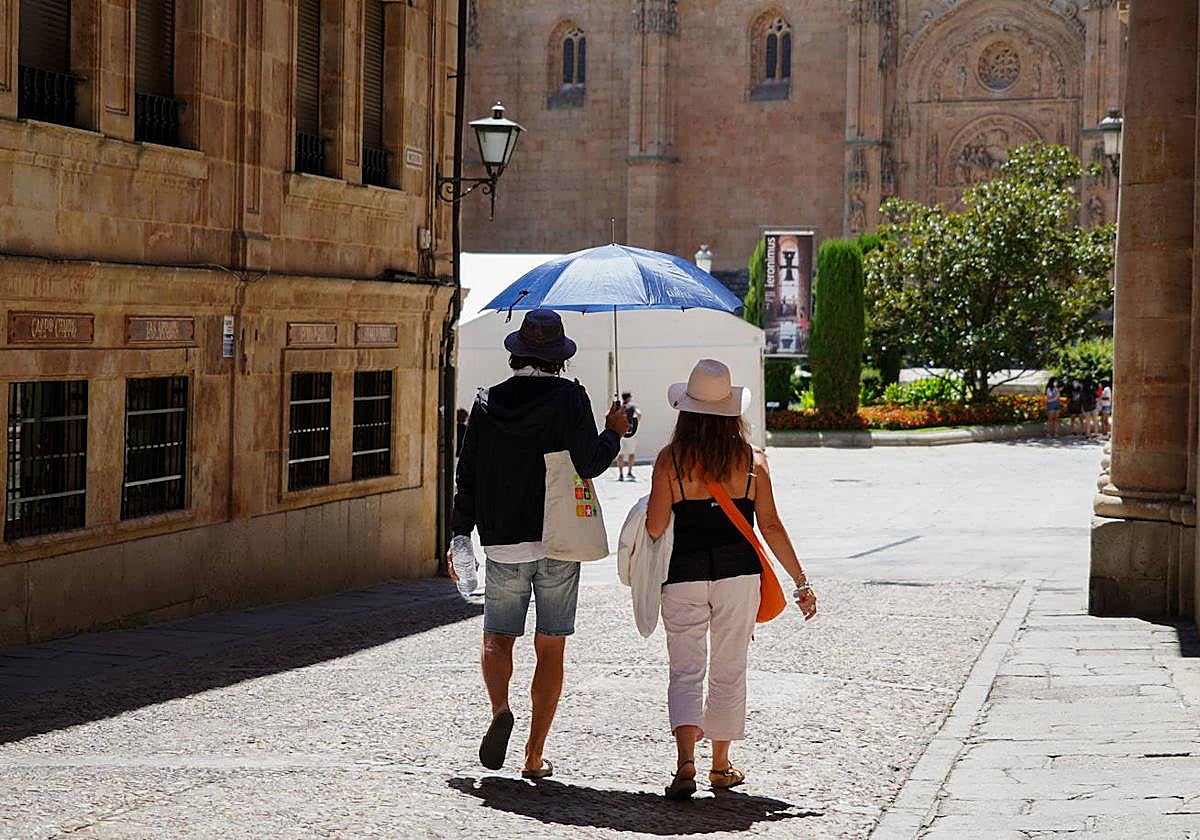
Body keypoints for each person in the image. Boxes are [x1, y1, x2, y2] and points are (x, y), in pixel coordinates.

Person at [449, 308, 629, 778]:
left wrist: (460, 535)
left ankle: (500, 710)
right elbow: (589, 463)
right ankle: (533, 755)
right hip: (558, 539)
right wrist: (613, 431)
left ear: (517, 353)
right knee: (551, 646)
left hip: (503, 541)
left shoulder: (487, 402)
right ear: (559, 357)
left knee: (497, 637)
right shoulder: (570, 398)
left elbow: (466, 475)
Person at [646, 359, 817, 799]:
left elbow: (655, 526)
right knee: (729, 668)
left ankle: (685, 763)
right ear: (732, 413)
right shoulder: (752, 460)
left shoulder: (669, 460)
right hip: (739, 575)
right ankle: (720, 765)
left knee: (685, 669)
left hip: (682, 575)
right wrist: (800, 581)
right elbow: (771, 526)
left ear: (686, 412)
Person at [617, 391, 642, 481]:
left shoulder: (619, 407)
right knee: (631, 454)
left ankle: (620, 474)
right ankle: (629, 472)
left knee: (620, 455)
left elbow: (607, 415)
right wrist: (636, 423)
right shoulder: (632, 407)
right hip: (630, 433)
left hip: (620, 434)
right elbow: (639, 414)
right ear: (628, 398)